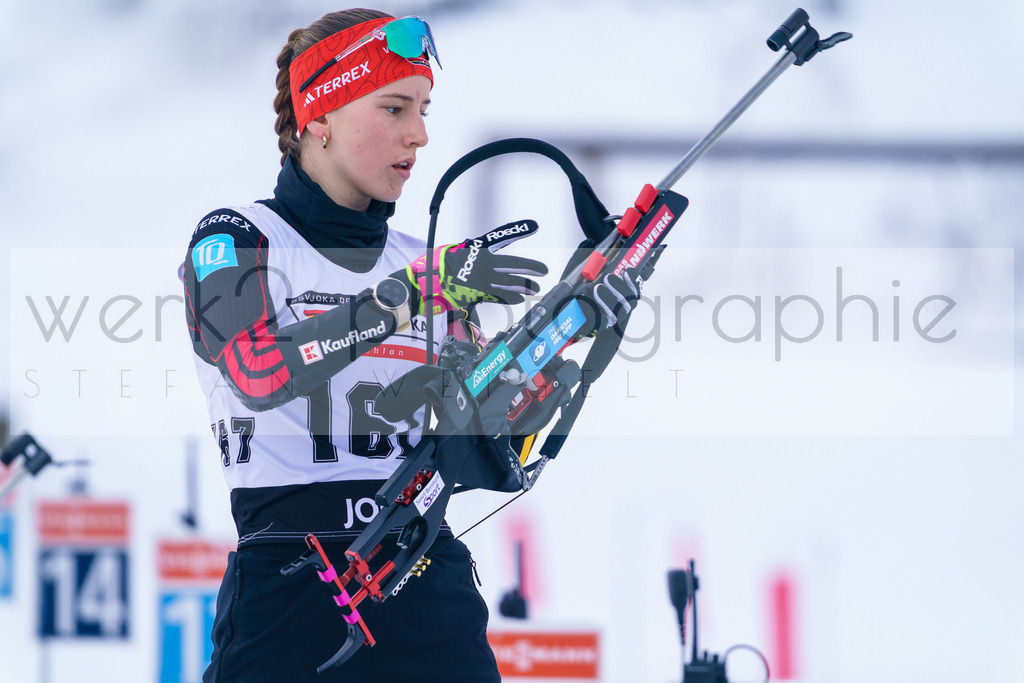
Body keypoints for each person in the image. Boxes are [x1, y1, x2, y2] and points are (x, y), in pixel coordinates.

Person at [181, 9, 552, 681]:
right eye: (394, 107)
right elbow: (259, 370)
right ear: (317, 115)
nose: (420, 134)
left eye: (424, 108)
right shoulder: (240, 237)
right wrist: (410, 296)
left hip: (428, 590)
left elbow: (491, 445)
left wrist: (545, 364)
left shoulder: (427, 266)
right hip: (292, 587)